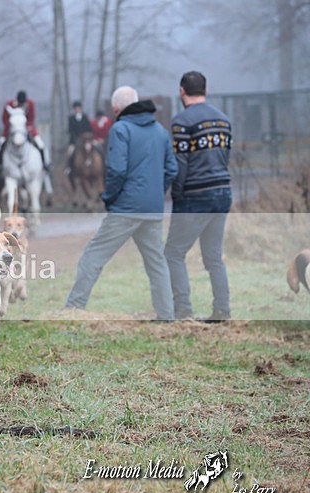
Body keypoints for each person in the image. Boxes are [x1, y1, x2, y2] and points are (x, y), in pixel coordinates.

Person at [65, 86, 178, 320]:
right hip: (153, 209)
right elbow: (172, 169)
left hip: (126, 209)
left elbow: (116, 170)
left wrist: (110, 197)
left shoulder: (120, 129)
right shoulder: (160, 130)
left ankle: (73, 310)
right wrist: (156, 193)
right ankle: (167, 317)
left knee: (92, 257)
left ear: (116, 109)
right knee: (157, 264)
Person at [164, 71, 233, 322]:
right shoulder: (224, 120)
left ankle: (183, 312)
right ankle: (222, 311)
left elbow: (181, 162)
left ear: (182, 91)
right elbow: (225, 157)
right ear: (205, 90)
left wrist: (177, 193)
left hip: (195, 195)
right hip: (223, 192)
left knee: (173, 253)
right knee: (214, 256)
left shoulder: (181, 122)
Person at [0, 90, 50, 170]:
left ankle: (45, 164)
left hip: (28, 130)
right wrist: (12, 127)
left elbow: (31, 118)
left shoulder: (30, 104)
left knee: (41, 145)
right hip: (11, 131)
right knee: (0, 144)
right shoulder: (9, 105)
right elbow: (4, 119)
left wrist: (27, 127)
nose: (22, 105)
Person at [66, 100, 94, 175]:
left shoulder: (85, 117)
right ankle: (69, 167)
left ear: (81, 108)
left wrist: (86, 135)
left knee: (95, 148)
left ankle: (101, 165)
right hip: (74, 140)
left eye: (78, 108)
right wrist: (76, 137)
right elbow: (70, 130)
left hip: (85, 139)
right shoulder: (71, 118)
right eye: (76, 108)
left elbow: (89, 128)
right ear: (74, 109)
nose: (77, 109)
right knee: (70, 152)